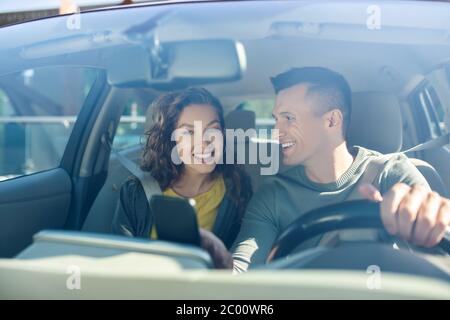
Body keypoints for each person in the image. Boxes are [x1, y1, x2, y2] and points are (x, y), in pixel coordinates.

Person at [209, 67, 450, 271]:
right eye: (276, 119)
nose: (276, 132)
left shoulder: (392, 173)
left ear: (332, 120)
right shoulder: (273, 196)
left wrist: (430, 218)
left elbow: (435, 226)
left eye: (289, 118)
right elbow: (243, 269)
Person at [111, 87, 252, 267]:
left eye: (213, 129)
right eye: (190, 132)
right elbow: (119, 261)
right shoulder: (135, 192)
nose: (204, 141)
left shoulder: (237, 189)